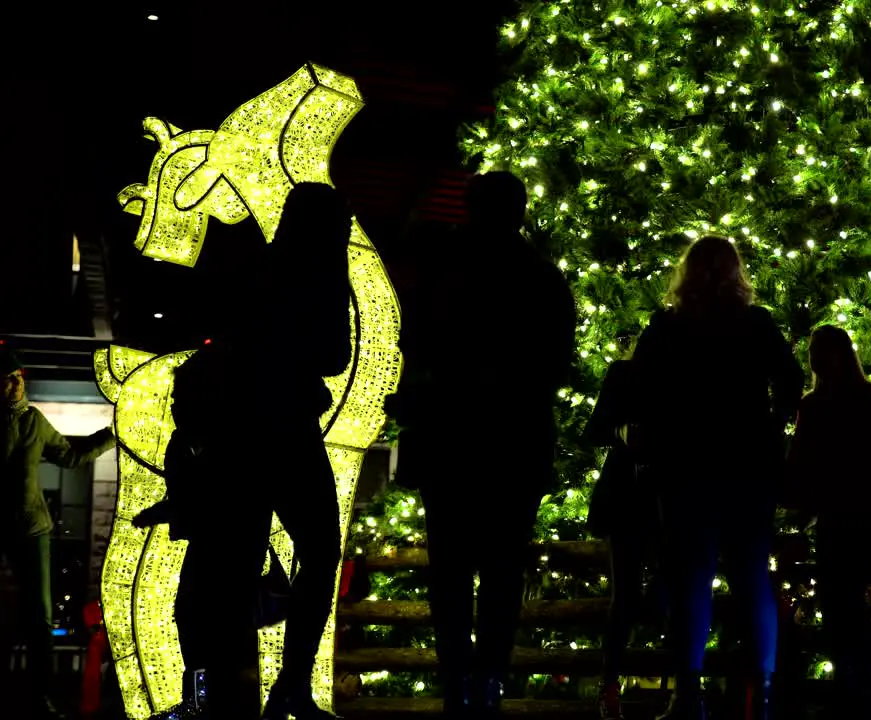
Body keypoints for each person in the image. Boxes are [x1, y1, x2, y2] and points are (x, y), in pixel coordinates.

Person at [135, 183, 353, 720]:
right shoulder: (320, 277)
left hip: (235, 439)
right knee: (319, 555)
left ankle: (206, 695)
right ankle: (290, 687)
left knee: (222, 567)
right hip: (289, 434)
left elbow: (216, 333)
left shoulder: (255, 269)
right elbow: (333, 355)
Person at [389, 171, 576, 719]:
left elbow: (415, 344)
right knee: (500, 570)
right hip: (513, 444)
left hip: (451, 440)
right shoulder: (541, 279)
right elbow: (555, 364)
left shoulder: (444, 275)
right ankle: (487, 676)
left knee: (450, 569)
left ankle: (457, 678)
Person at [629, 236, 804, 720]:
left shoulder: (669, 327)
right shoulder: (755, 324)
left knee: (691, 577)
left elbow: (638, 385)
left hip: (686, 463)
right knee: (751, 575)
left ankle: (689, 692)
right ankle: (763, 695)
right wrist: (773, 424)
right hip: (749, 462)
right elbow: (790, 379)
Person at [784, 325, 871, 719]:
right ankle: (855, 689)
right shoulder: (827, 403)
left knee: (844, 605)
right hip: (843, 520)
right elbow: (800, 466)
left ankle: (854, 689)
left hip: (853, 519)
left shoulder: (851, 401)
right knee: (843, 606)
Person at [1, 347, 115, 719]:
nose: (13, 386)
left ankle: (39, 697)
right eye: (6, 381)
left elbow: (69, 457)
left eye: (15, 380)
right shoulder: (23, 421)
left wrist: (111, 436)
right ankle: (34, 697)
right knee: (31, 617)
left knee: (40, 618)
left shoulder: (33, 421)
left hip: (33, 528)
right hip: (19, 526)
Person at [584, 359, 663, 720]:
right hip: (629, 496)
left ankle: (674, 685)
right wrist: (622, 433)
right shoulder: (625, 374)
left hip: (667, 494)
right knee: (627, 593)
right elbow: (596, 428)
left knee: (659, 591)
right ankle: (611, 683)